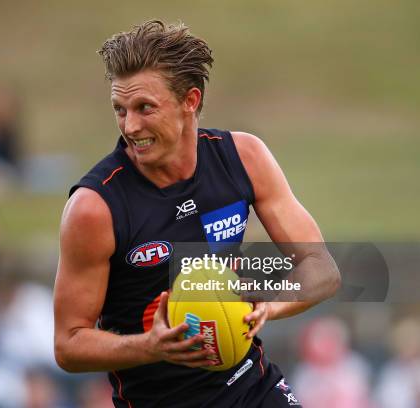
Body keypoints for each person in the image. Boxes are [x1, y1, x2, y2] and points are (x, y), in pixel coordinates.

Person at [54, 20, 340, 408]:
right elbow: (68, 343)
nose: (130, 126)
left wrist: (268, 304)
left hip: (250, 388)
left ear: (190, 100)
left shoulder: (244, 158)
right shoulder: (95, 207)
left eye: (145, 108)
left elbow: (321, 268)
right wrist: (151, 346)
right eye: (120, 110)